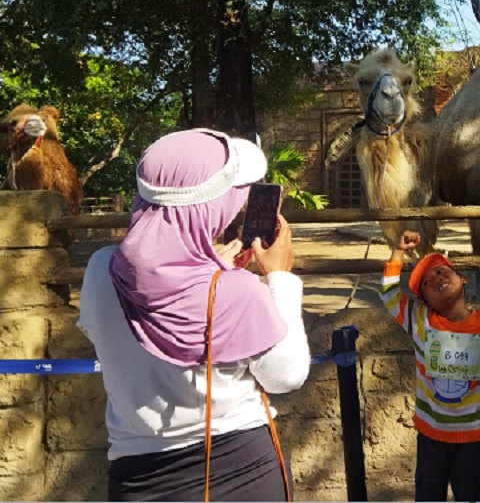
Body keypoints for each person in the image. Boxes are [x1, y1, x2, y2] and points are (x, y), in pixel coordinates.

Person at [77, 128, 311, 501]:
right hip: (239, 471)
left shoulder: (100, 271)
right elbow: (286, 376)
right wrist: (280, 277)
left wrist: (204, 270)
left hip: (137, 478)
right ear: (211, 208)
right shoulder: (238, 291)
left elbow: (118, 329)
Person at [381, 230, 480, 502]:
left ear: (463, 279)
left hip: (472, 438)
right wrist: (398, 252)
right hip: (430, 436)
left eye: (442, 272)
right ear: (425, 301)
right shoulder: (419, 320)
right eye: (426, 282)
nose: (436, 279)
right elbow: (389, 292)